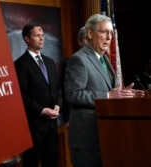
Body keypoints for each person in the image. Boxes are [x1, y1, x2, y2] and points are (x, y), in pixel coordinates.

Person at [63, 13, 145, 167]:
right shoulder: (79, 59)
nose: (109, 38)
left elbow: (109, 90)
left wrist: (123, 95)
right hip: (87, 138)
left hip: (105, 133)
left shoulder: (104, 58)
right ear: (90, 33)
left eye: (111, 33)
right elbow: (73, 94)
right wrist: (108, 96)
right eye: (104, 32)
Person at [14, 22, 61, 167]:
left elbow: (57, 89)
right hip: (34, 127)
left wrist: (58, 105)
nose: (42, 39)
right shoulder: (21, 64)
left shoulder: (49, 61)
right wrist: (41, 110)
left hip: (52, 127)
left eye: (42, 35)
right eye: (37, 35)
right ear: (27, 38)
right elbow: (21, 96)